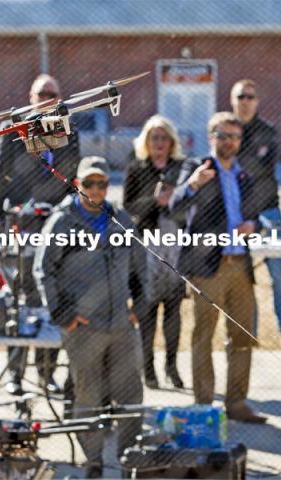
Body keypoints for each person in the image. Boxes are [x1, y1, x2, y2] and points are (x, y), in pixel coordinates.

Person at [34, 156, 143, 478]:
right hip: (84, 327)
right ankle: (93, 460)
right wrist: (63, 314)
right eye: (88, 183)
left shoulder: (121, 218)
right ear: (77, 184)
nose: (95, 189)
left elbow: (140, 263)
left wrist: (140, 303)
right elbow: (44, 271)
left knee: (130, 394)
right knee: (89, 395)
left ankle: (128, 459)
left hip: (121, 324)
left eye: (101, 184)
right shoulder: (62, 221)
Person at [0, 73, 80, 396]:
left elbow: (73, 176)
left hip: (55, 226)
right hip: (21, 224)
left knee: (50, 297)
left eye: (53, 93)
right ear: (31, 97)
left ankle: (46, 373)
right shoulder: (13, 129)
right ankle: (15, 375)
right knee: (19, 299)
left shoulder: (69, 129)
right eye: (42, 94)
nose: (48, 98)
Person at [171, 112, 267, 423]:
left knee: (242, 336)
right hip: (207, 266)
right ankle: (203, 404)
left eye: (234, 137)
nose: (229, 142)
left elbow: (257, 217)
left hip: (239, 265)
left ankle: (237, 403)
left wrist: (254, 225)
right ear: (211, 137)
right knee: (204, 335)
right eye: (223, 136)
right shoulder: (197, 167)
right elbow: (175, 208)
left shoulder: (244, 175)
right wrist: (192, 185)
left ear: (240, 141)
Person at [123, 115, 185, 389]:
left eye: (163, 138)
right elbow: (128, 208)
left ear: (171, 142)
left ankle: (171, 366)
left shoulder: (182, 168)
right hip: (146, 243)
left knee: (173, 309)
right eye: (154, 138)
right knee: (147, 311)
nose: (159, 143)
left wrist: (174, 199)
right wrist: (155, 200)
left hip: (175, 242)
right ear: (146, 142)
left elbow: (192, 204)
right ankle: (148, 369)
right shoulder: (137, 168)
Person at [231, 79, 281, 338]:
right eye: (240, 96)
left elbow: (256, 168)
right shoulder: (227, 129)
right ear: (233, 100)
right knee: (242, 279)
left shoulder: (267, 131)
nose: (245, 101)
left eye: (250, 97)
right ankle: (247, 334)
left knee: (279, 275)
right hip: (237, 215)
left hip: (268, 211)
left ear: (257, 101)